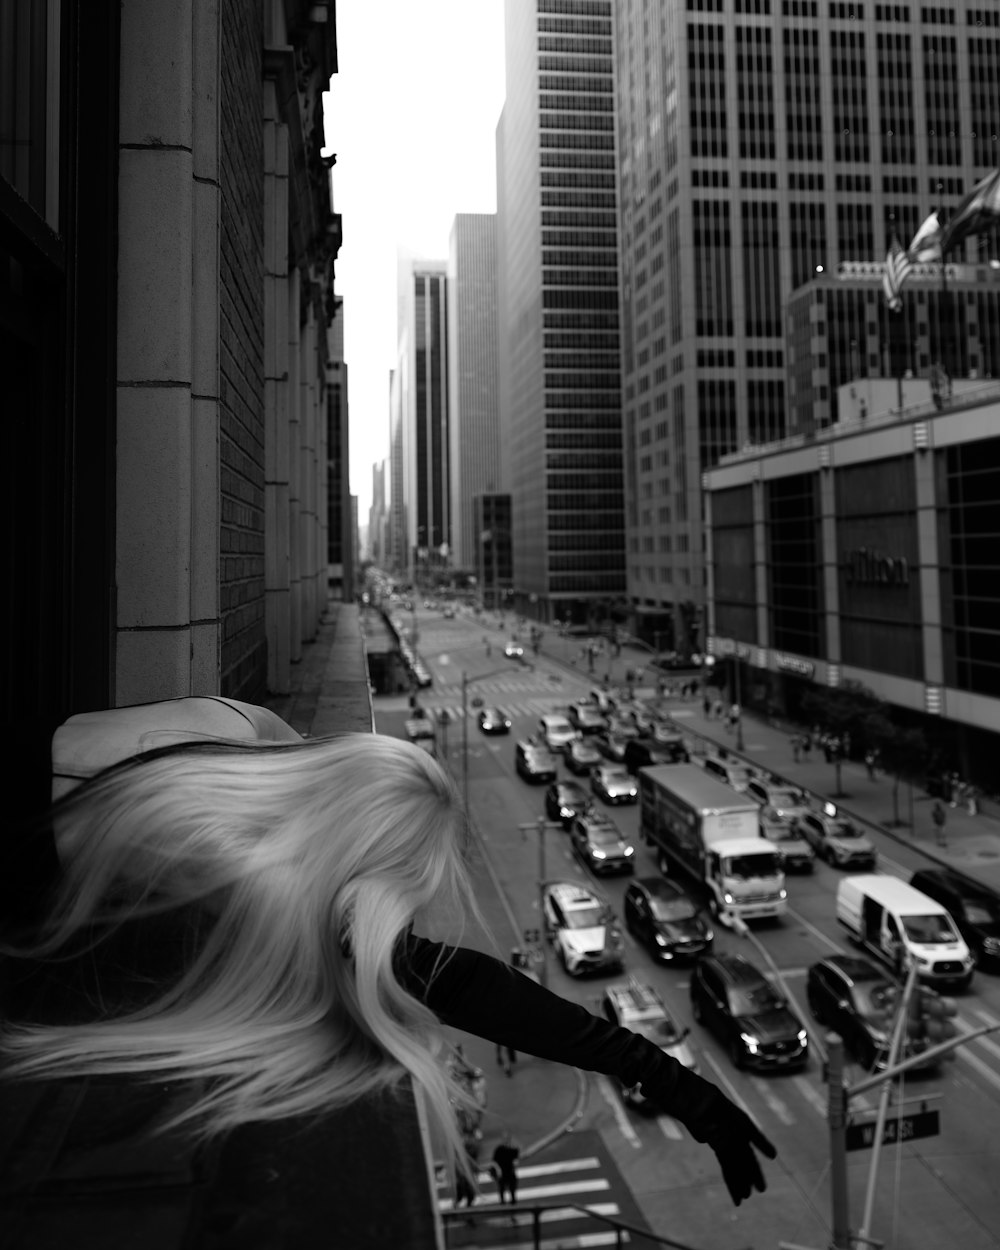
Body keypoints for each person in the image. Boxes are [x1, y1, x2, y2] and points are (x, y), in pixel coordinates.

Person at [1, 699, 776, 1208]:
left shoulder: (242, 736)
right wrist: (676, 1087)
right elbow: (450, 982)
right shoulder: (238, 897)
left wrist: (673, 1082)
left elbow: (460, 980)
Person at [492, 1131, 521, 1206]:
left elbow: (516, 1160)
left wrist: (515, 1163)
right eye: (504, 1139)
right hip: (502, 1173)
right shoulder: (499, 1149)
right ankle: (503, 1205)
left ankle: (513, 1206)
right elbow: (494, 1161)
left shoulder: (513, 1150)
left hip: (510, 1172)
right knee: (502, 1190)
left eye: (507, 1139)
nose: (505, 1140)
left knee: (512, 1191)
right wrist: (498, 1170)